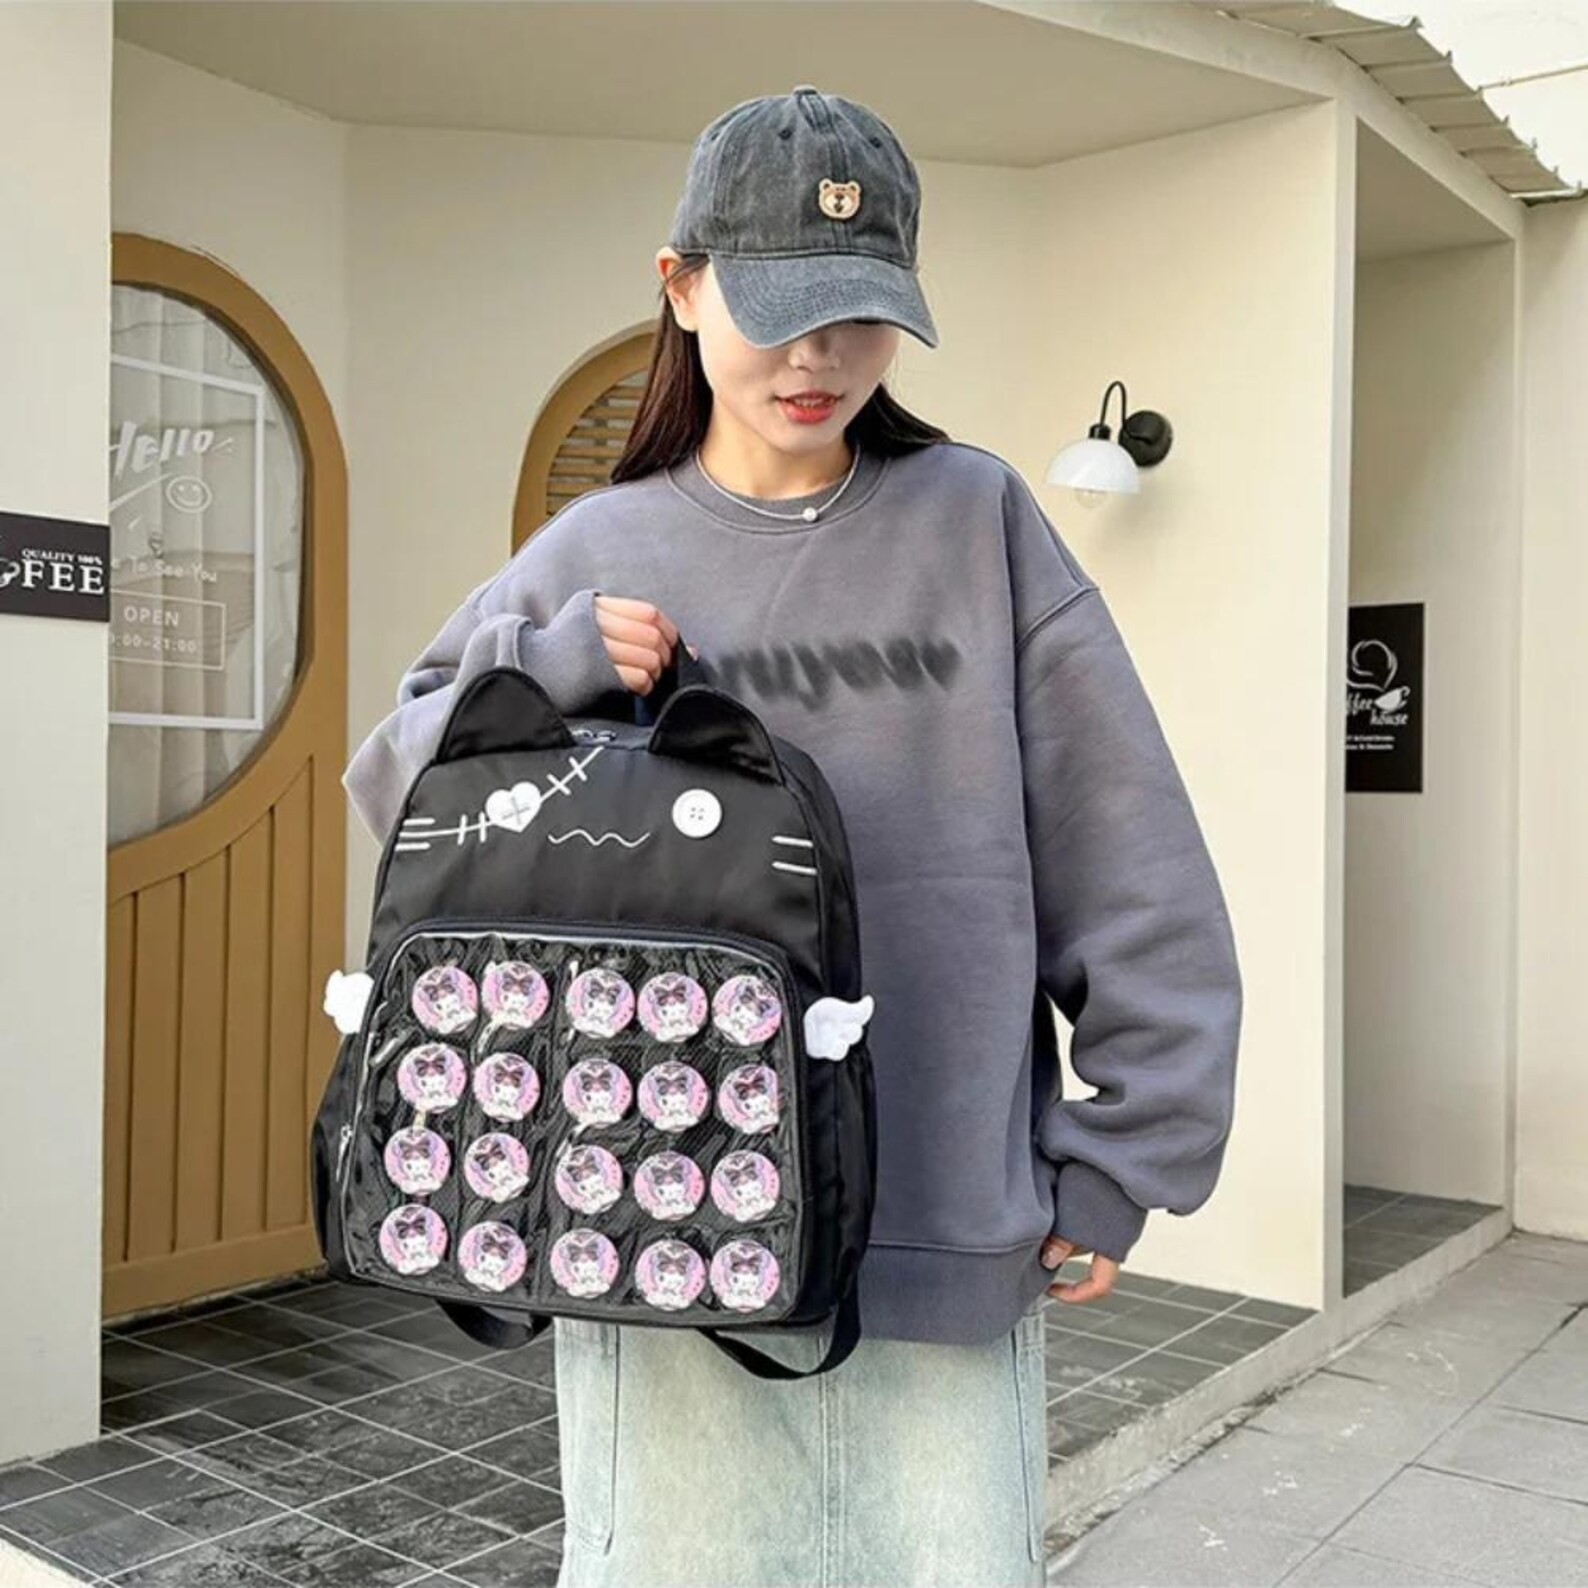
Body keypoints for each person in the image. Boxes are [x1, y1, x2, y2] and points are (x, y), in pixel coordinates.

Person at [342, 84, 1243, 1588]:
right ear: (681, 286)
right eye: (777, 311)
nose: (817, 358)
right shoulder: (599, 549)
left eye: (859, 315)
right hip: (652, 1224)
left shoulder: (975, 521)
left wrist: (1126, 1155)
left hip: (944, 1222)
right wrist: (544, 668)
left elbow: (1128, 851)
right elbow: (396, 785)